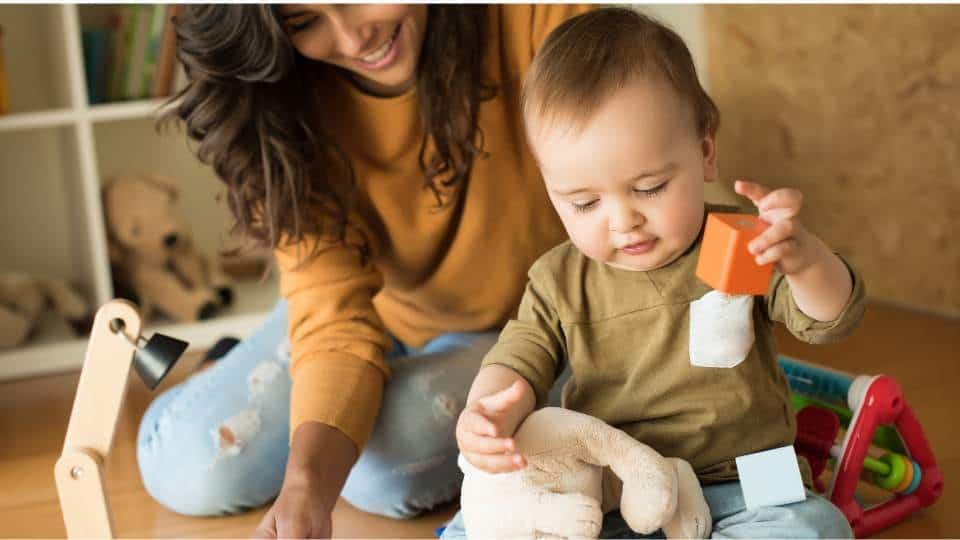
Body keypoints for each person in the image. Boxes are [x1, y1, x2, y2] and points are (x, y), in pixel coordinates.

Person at [135, 4, 592, 539]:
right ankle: (252, 367)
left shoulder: (540, 16)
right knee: (185, 466)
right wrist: (306, 489)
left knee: (381, 473)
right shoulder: (282, 100)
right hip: (367, 315)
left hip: (523, 328)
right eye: (303, 21)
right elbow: (335, 323)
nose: (354, 40)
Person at [445, 7, 866, 539]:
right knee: (485, 524)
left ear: (705, 152)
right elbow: (517, 360)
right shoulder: (558, 280)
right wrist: (485, 414)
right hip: (614, 484)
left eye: (649, 189)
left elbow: (830, 319)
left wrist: (804, 261)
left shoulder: (741, 241)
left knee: (817, 528)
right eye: (584, 202)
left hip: (743, 474)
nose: (623, 221)